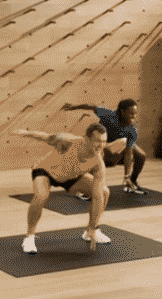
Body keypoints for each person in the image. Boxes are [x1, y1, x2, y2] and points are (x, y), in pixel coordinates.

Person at [19, 122, 127, 254]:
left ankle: (90, 231)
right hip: (45, 171)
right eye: (97, 141)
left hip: (72, 177)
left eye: (103, 141)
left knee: (104, 192)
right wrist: (26, 133)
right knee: (41, 196)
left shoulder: (98, 163)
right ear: (86, 139)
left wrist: (93, 226)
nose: (101, 145)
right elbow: (46, 137)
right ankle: (29, 237)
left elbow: (97, 196)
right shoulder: (68, 141)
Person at [62, 99, 147, 194]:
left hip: (119, 146)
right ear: (122, 112)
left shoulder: (133, 129)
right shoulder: (108, 114)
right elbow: (91, 106)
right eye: (131, 114)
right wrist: (74, 107)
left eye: (135, 113)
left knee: (141, 155)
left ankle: (132, 181)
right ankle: (82, 185)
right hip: (100, 144)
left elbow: (129, 152)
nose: (134, 117)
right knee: (94, 159)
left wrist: (127, 176)